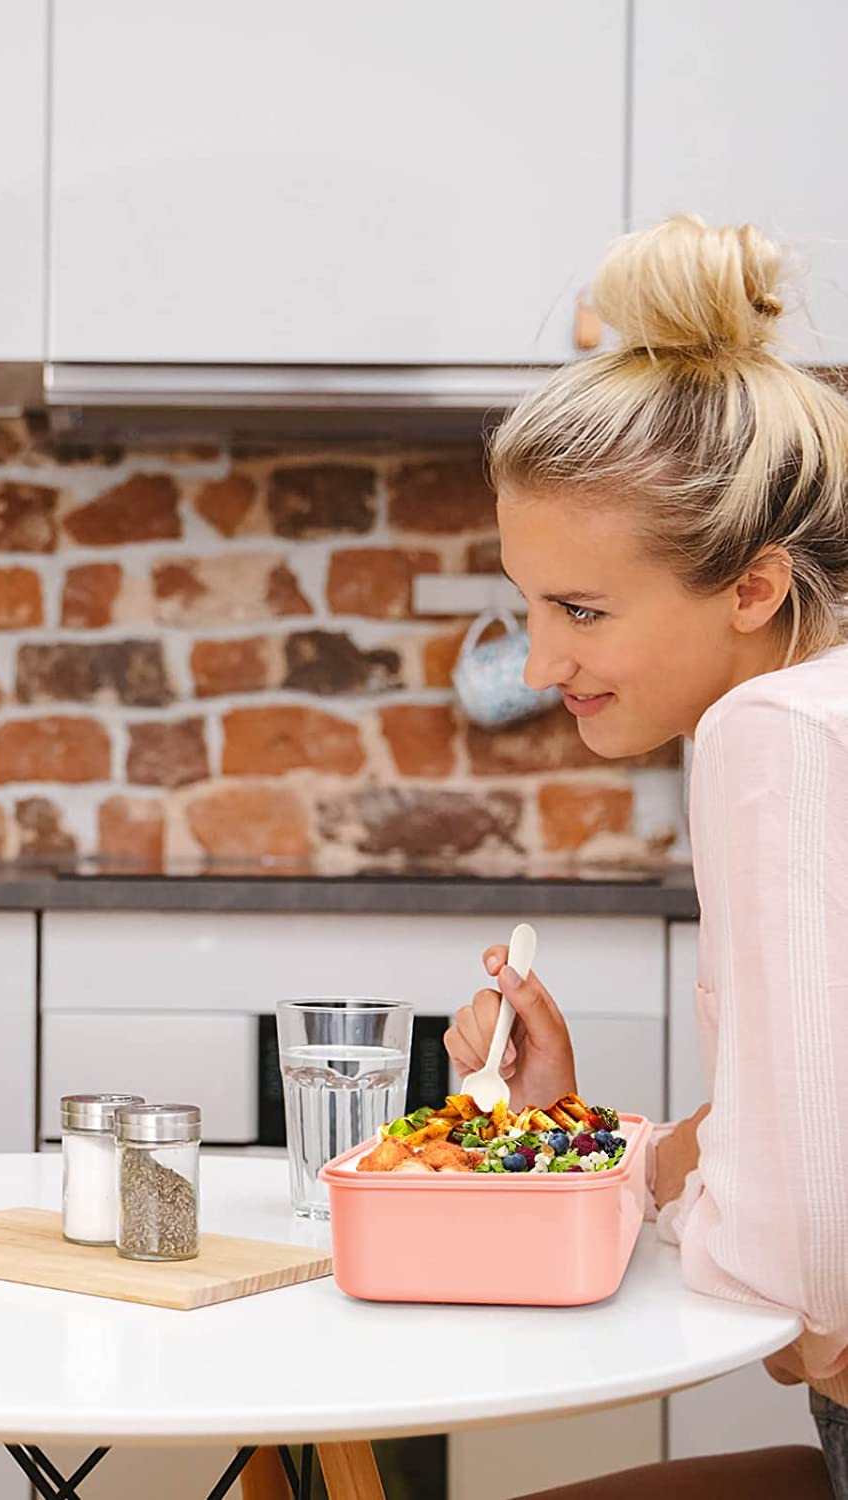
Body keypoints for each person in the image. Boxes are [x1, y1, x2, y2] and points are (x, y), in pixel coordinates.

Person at [443, 216, 848, 1498]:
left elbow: (792, 1271)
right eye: (526, 602)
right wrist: (586, 1136)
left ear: (752, 586)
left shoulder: (771, 732)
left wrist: (615, 1162)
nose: (542, 661)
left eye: (581, 610)